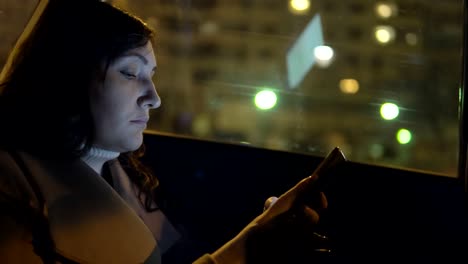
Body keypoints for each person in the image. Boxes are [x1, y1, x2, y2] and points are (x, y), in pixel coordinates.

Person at [0, 0, 329, 263]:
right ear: (66, 79)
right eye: (130, 73)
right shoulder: (12, 200)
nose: (154, 98)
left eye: (152, 75)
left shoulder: (120, 174)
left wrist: (255, 240)